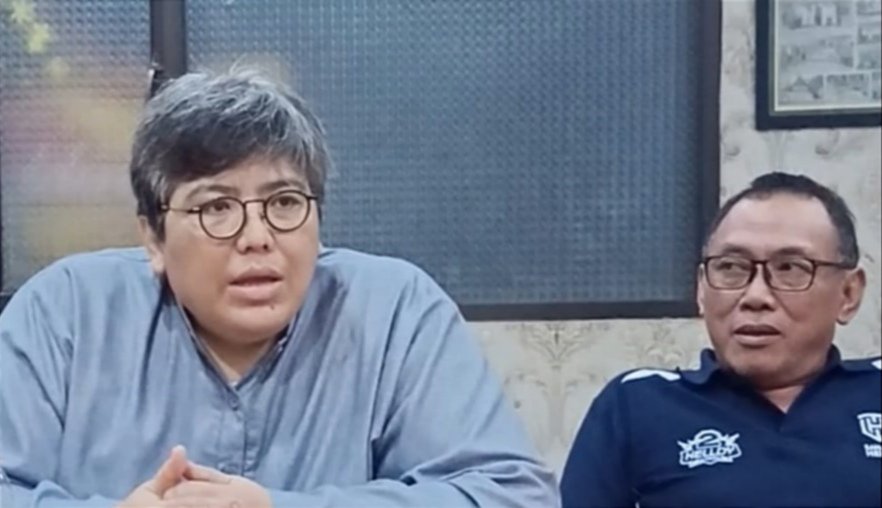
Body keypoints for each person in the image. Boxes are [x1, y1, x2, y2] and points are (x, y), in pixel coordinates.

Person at [0, 70, 559, 507]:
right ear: (153, 237)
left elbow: (513, 495)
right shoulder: (65, 313)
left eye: (284, 202)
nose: (257, 237)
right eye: (216, 207)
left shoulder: (395, 312)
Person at [560, 173, 881, 508]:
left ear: (849, 294)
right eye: (731, 267)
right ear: (701, 290)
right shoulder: (636, 405)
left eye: (789, 268)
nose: (755, 296)